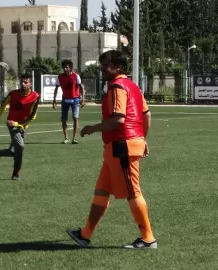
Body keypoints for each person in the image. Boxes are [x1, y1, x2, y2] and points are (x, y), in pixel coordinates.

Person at [67, 50, 157, 250]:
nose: (102, 69)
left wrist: (92, 128)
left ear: (119, 67)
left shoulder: (117, 87)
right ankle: (84, 235)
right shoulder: (133, 86)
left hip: (121, 146)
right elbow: (147, 115)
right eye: (102, 64)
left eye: (107, 65)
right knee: (102, 191)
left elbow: (119, 119)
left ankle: (148, 238)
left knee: (133, 192)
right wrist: (142, 138)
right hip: (118, 147)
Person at [0, 74, 40, 181]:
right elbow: (2, 106)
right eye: (21, 82)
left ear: (30, 84)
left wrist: (19, 124)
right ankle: (15, 174)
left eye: (26, 82)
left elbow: (32, 116)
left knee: (13, 151)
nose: (23, 84)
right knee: (20, 146)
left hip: (21, 125)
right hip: (12, 124)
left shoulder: (35, 97)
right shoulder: (13, 94)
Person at [53, 59, 85, 144]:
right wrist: (54, 101)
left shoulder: (76, 76)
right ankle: (66, 138)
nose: (65, 69)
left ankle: (74, 138)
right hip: (65, 100)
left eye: (67, 67)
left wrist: (83, 99)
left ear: (70, 68)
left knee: (75, 118)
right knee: (64, 119)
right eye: (64, 67)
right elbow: (56, 88)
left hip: (75, 100)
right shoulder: (60, 77)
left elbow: (81, 87)